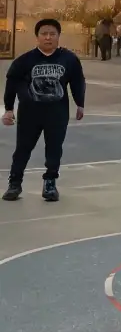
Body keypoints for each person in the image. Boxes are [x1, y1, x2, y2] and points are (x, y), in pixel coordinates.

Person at [3, 18, 86, 203]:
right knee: (23, 149)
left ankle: (50, 183)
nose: (48, 38)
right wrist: (9, 109)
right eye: (44, 34)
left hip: (57, 112)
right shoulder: (24, 60)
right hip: (29, 113)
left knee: (54, 148)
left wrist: (80, 103)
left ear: (58, 36)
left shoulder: (69, 59)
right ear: (37, 37)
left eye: (52, 34)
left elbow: (78, 81)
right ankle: (14, 183)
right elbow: (11, 83)